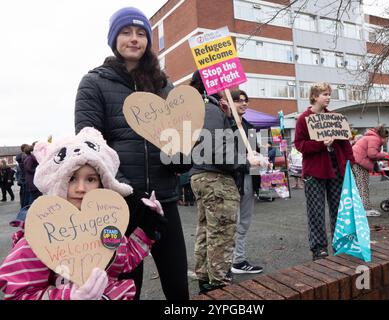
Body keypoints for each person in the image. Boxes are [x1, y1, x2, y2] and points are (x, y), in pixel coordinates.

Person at [74, 7, 189, 300]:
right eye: (126, 32)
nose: (134, 39)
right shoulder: (94, 83)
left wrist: (181, 158)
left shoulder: (164, 85)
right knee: (126, 290)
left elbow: (177, 137)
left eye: (141, 33)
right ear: (114, 38)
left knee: (178, 288)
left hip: (164, 201)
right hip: (120, 207)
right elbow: (91, 147)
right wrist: (127, 191)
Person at [0, 127, 164, 300]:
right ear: (56, 182)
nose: (81, 189)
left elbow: (124, 260)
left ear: (103, 184)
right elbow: (20, 293)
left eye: (91, 179)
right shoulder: (37, 237)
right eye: (71, 178)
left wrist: (147, 228)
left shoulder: (106, 227)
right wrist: (70, 296)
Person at [188, 71, 252, 293]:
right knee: (221, 235)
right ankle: (220, 286)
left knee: (206, 231)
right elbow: (219, 151)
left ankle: (206, 282)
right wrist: (246, 161)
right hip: (216, 178)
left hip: (201, 175)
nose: (228, 86)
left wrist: (229, 118)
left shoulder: (200, 106)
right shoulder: (211, 108)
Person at [294, 82, 355, 261]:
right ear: (314, 96)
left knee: (339, 210)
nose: (328, 97)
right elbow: (300, 144)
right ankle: (319, 248)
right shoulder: (303, 119)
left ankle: (341, 242)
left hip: (336, 171)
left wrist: (350, 164)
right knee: (316, 211)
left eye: (329, 94)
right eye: (324, 94)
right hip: (315, 172)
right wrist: (321, 144)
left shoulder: (336, 118)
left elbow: (345, 144)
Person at [229, 89, 264, 275]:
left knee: (244, 221)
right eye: (238, 100)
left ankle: (238, 259)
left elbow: (253, 153)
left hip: (249, 179)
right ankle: (231, 259)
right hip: (232, 180)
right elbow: (227, 156)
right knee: (231, 222)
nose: (243, 103)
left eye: (245, 100)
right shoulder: (226, 125)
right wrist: (247, 160)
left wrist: (260, 160)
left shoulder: (249, 127)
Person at [352, 126, 389, 217]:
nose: (387, 141)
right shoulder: (375, 139)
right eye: (387, 139)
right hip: (359, 163)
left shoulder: (371, 137)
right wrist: (384, 155)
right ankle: (365, 208)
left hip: (355, 161)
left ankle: (360, 207)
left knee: (359, 185)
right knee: (363, 185)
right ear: (383, 137)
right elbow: (372, 154)